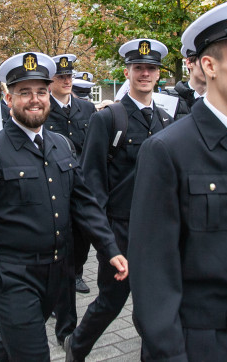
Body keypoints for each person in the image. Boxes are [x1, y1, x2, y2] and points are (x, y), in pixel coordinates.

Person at [129, 0, 227, 361]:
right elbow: (153, 272)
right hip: (199, 343)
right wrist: (169, 353)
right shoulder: (167, 150)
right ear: (209, 65)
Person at [0, 52, 128, 361]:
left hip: (55, 273)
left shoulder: (62, 145)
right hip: (10, 275)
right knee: (33, 351)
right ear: (9, 98)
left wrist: (109, 248)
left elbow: (84, 204)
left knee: (12, 345)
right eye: (24, 92)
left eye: (41, 91)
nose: (35, 99)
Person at [65, 39, 173, 361]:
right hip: (121, 229)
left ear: (158, 75)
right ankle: (77, 345)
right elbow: (92, 185)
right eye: (138, 68)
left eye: (151, 68)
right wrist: (105, 241)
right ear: (127, 72)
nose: (144, 73)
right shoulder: (109, 118)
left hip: (157, 230)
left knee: (153, 304)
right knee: (111, 301)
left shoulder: (168, 120)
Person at [45, 54, 97, 346]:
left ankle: (76, 272)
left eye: (69, 76)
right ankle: (56, 293)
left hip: (81, 184)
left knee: (82, 237)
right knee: (56, 243)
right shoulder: (43, 109)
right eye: (61, 77)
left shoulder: (87, 109)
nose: (66, 81)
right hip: (53, 185)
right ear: (51, 81)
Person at [165, 45, 207, 119]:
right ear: (189, 63)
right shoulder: (167, 99)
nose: (210, 66)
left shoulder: (225, 101)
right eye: (204, 61)